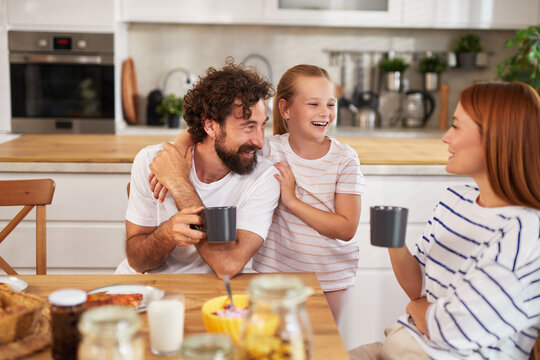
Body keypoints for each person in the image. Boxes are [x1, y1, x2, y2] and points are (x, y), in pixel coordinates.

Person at [152, 64, 365, 324]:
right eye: (314, 104)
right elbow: (217, 121)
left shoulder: (344, 159)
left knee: (320, 344)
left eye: (331, 104)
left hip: (330, 278)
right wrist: (178, 150)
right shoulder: (268, 149)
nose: (325, 113)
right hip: (273, 275)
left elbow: (346, 228)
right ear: (285, 109)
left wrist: (292, 202)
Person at [349, 81, 540, 360]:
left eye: (456, 126)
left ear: (496, 137)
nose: (445, 137)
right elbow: (417, 289)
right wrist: (395, 242)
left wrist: (419, 308)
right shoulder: (456, 200)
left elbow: (451, 329)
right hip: (399, 344)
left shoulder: (524, 232)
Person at [115, 60, 280, 278]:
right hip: (146, 287)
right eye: (248, 127)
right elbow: (137, 260)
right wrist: (166, 234)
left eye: (262, 125)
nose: (259, 141)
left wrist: (179, 184)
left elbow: (228, 265)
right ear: (211, 126)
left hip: (211, 290)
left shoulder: (264, 178)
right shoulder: (152, 161)